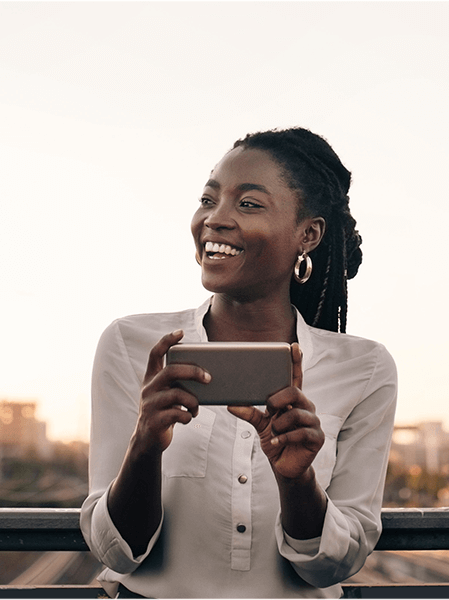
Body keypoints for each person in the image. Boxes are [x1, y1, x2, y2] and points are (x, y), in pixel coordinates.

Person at [80, 127, 398, 598]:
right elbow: (116, 552)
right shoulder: (132, 345)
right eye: (208, 200)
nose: (215, 219)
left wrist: (298, 480)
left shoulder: (366, 369)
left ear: (307, 234)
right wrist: (144, 445)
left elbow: (337, 564)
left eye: (247, 204)